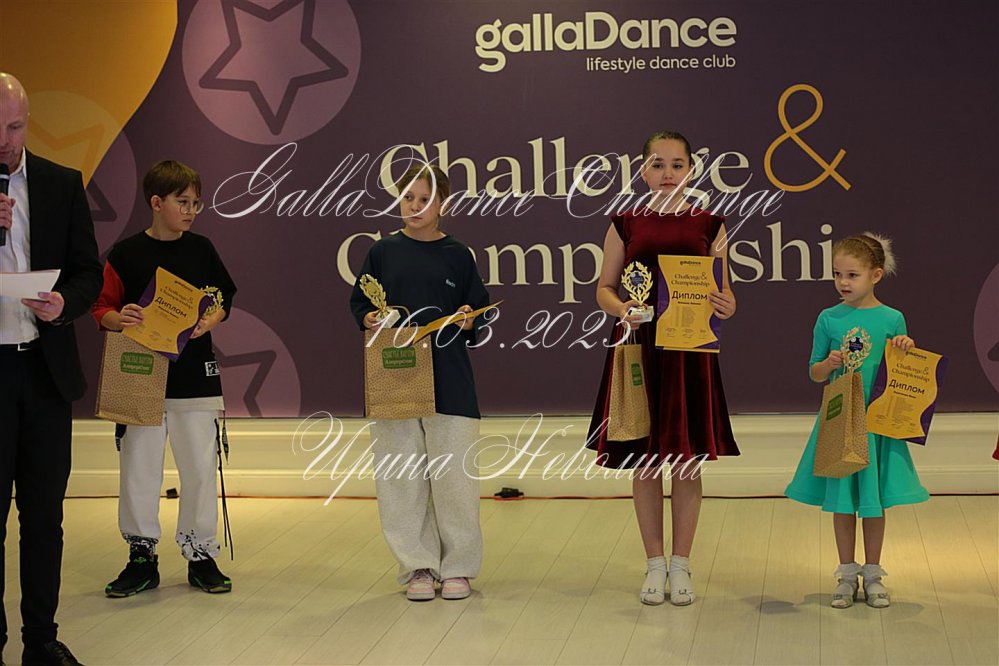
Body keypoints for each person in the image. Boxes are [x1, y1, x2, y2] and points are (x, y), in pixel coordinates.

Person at [586, 131, 739, 606]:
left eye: (676, 165)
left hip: (690, 352)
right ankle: (654, 563)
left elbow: (725, 293)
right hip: (638, 347)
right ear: (643, 170)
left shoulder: (711, 224)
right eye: (657, 164)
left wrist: (726, 304)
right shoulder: (624, 223)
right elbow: (604, 288)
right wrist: (622, 309)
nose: (667, 173)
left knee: (686, 459)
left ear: (690, 170)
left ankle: (681, 563)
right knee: (644, 457)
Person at [92, 160, 236, 598]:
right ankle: (141, 556)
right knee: (139, 470)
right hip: (140, 377)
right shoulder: (126, 254)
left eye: (196, 203)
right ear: (156, 203)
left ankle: (200, 553)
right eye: (182, 202)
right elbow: (102, 308)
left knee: (200, 470)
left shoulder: (202, 249)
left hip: (195, 377)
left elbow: (222, 298)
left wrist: (212, 319)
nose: (191, 211)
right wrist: (120, 318)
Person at [349, 164, 490, 601]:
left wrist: (468, 319)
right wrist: (369, 319)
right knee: (401, 478)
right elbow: (361, 304)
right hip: (396, 377)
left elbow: (479, 311)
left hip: (451, 380)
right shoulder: (382, 252)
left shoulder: (458, 254)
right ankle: (418, 567)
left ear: (442, 203)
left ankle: (459, 567)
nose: (414, 206)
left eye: (425, 199)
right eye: (408, 197)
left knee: (454, 480)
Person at [0, 72, 101, 666]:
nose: (4, 141)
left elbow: (89, 270)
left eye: (13, 127)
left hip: (44, 372)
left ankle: (40, 639)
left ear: (28, 122)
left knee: (44, 517)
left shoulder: (61, 183)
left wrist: (66, 303)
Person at [785, 233, 928, 608]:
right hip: (841, 422)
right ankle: (847, 574)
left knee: (873, 499)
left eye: (852, 275)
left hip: (876, 422)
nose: (843, 282)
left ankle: (874, 573)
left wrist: (906, 347)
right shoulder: (828, 319)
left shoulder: (892, 318)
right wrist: (827, 364)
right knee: (843, 500)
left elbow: (902, 369)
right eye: (837, 274)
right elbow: (814, 372)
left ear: (875, 275)